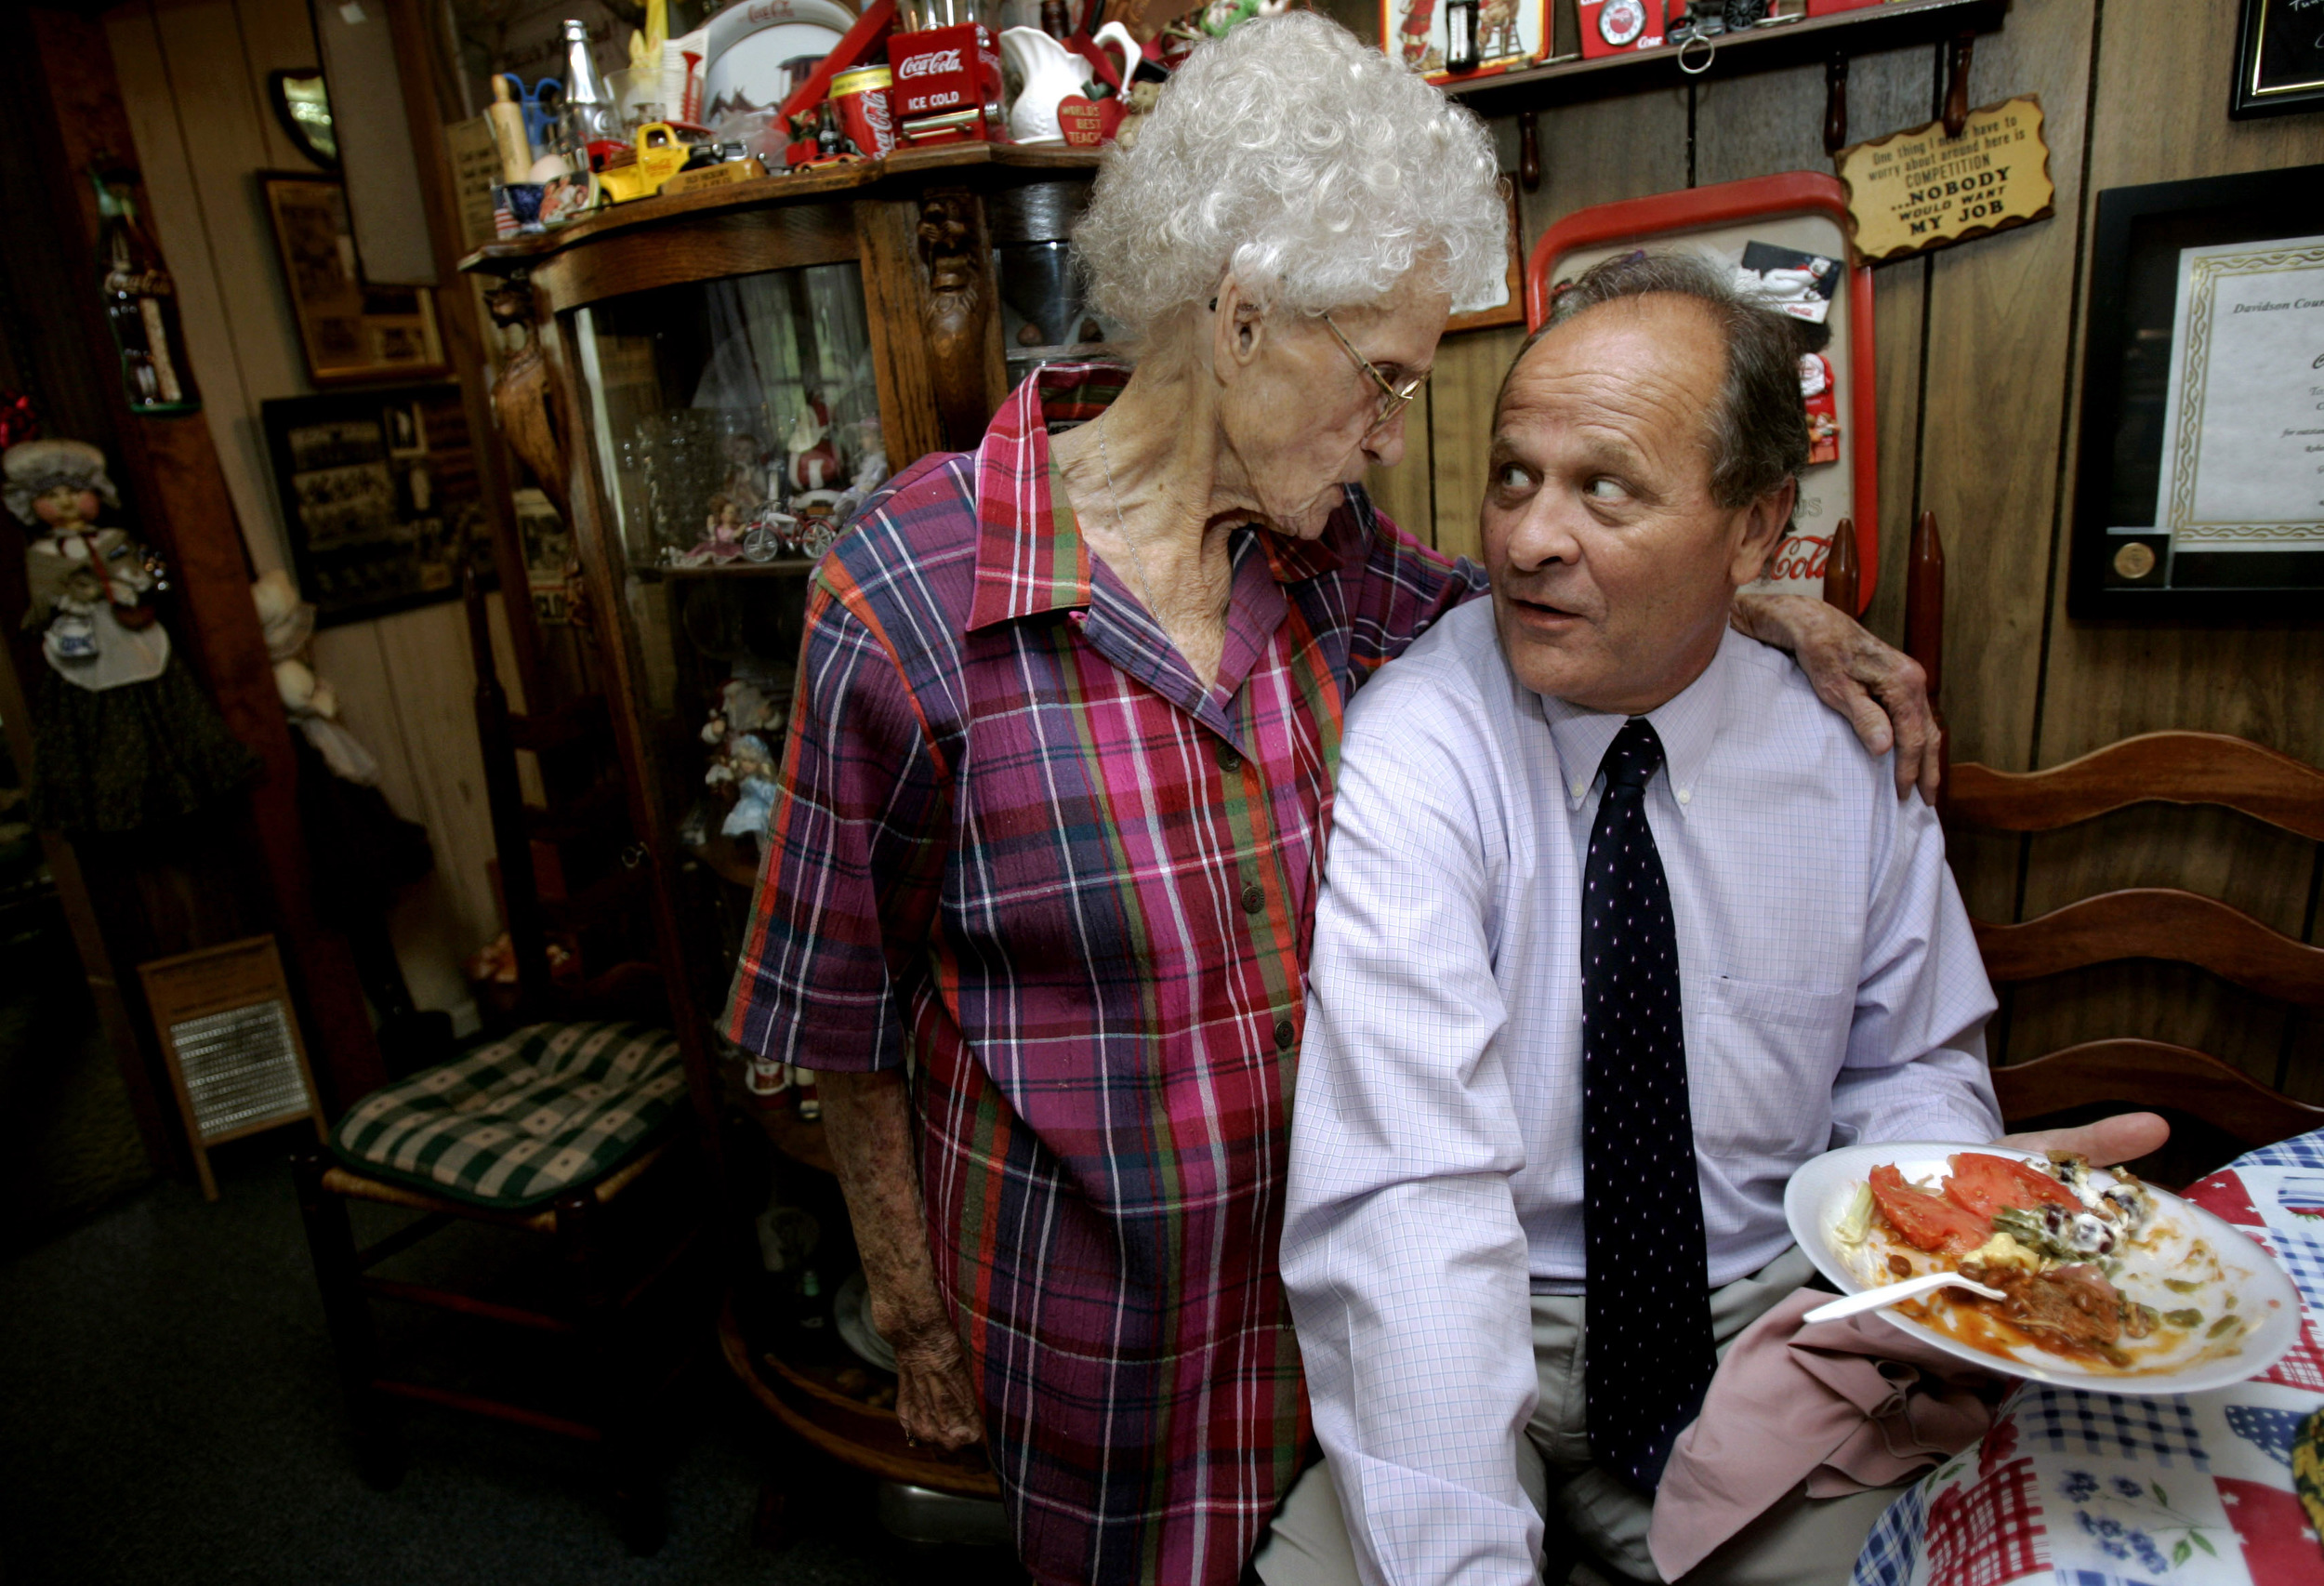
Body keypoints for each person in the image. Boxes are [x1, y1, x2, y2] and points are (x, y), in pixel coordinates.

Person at [723, 20, 1941, 1585]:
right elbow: (840, 1012)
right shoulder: (911, 594)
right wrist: (914, 1319)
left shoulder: (1342, 568)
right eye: (1381, 378)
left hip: (1350, 1309)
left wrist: (1759, 602)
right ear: (1238, 319)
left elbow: (1569, 607)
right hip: (1111, 1326)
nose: (1394, 431)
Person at [1270, 252, 2167, 1586]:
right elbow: (1411, 1201)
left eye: (1606, 487)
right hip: (1479, 1317)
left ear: (1756, 531)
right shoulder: (1425, 735)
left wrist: (1952, 1206)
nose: (1526, 538)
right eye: (1513, 474)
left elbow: (1906, 1059)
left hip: (1769, 1332)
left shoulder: (1846, 743)